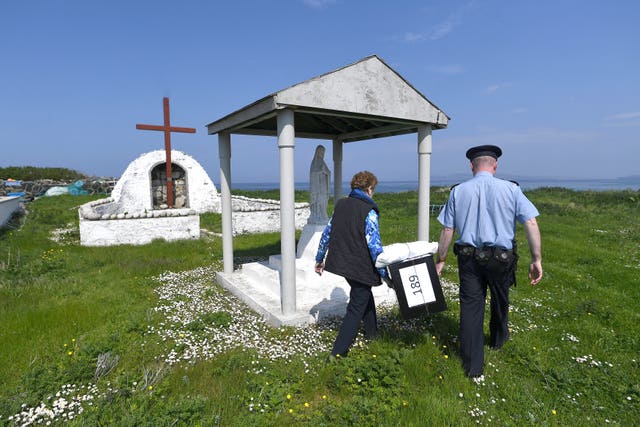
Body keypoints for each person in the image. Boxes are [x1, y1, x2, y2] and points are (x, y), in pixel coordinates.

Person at [435, 145, 543, 379]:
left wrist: (441, 259)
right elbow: (531, 223)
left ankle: (472, 366)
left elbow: (447, 228)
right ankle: (498, 339)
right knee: (500, 298)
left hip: (469, 259)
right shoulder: (512, 190)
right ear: (495, 165)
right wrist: (537, 259)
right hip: (501, 259)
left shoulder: (458, 191)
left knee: (471, 307)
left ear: (472, 166)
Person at [315, 170, 388, 359]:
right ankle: (338, 353)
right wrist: (384, 272)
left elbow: (327, 234)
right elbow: (374, 246)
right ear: (370, 189)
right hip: (360, 266)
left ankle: (373, 335)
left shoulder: (341, 204)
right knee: (356, 306)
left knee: (363, 294)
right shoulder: (369, 211)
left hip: (343, 263)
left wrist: (319, 258)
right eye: (374, 189)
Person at [309, 145, 331, 224]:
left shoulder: (323, 162)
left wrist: (326, 172)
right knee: (319, 200)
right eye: (321, 152)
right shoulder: (314, 162)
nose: (322, 154)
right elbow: (313, 173)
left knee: (324, 200)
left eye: (323, 152)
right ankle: (318, 215)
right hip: (318, 187)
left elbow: (328, 172)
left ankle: (323, 215)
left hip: (324, 186)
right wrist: (320, 171)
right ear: (317, 152)